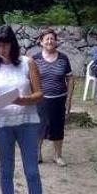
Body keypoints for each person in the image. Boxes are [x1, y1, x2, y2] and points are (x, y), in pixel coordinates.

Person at [0, 25, 49, 194]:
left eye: (6, 44)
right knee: (6, 171)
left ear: (13, 43)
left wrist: (24, 100)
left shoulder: (27, 63)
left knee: (31, 170)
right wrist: (5, 100)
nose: (2, 49)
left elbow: (40, 93)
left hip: (27, 122)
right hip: (2, 125)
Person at [32, 28, 74, 166]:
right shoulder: (35, 59)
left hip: (59, 98)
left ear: (56, 42)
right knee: (39, 126)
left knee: (58, 126)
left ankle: (58, 155)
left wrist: (69, 98)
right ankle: (37, 153)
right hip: (41, 99)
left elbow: (70, 78)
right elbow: (30, 79)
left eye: (52, 39)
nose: (50, 41)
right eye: (47, 39)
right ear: (41, 42)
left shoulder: (63, 58)